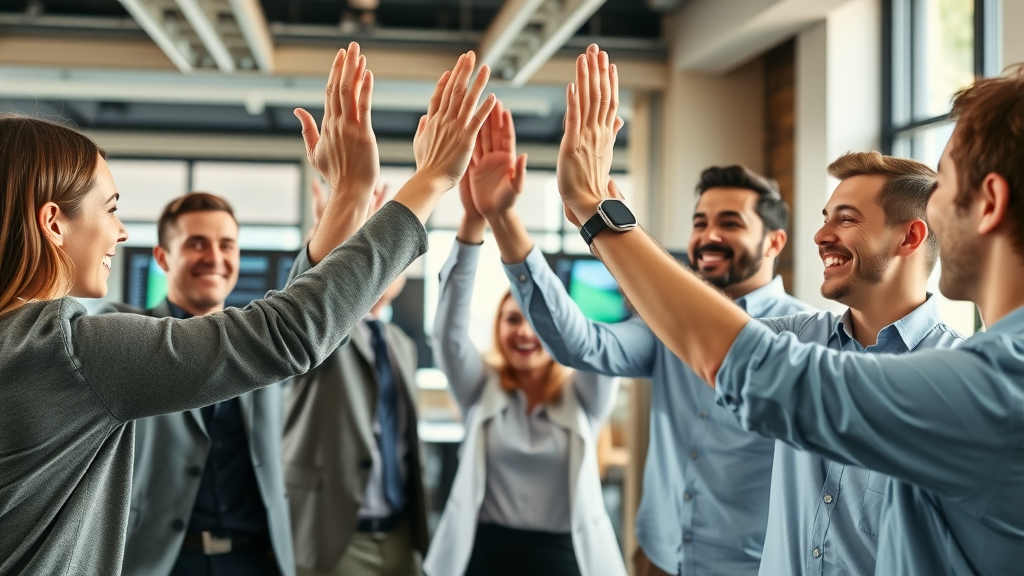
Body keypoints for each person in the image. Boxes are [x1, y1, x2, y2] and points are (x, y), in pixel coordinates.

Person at [0, 43, 497, 576]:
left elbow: (282, 325)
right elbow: (284, 334)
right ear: (54, 223)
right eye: (112, 209)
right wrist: (430, 182)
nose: (120, 232)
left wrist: (350, 194)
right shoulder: (73, 350)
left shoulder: (25, 342)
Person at [554, 45, 1024, 576]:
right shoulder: (815, 335)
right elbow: (721, 339)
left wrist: (599, 211)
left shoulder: (992, 384)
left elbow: (754, 366)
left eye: (947, 184)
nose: (936, 206)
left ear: (989, 201)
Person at [480, 102, 812, 576]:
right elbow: (581, 345)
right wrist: (503, 220)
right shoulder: (668, 325)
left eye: (730, 223)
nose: (709, 235)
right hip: (658, 558)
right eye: (700, 223)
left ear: (775, 242)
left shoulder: (807, 336)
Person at [422, 102, 627, 576]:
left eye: (533, 320)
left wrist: (595, 213)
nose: (523, 330)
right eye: (511, 320)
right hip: (485, 554)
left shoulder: (585, 395)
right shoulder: (481, 391)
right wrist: (473, 220)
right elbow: (448, 331)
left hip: (564, 557)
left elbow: (603, 331)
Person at [751, 152, 964, 575]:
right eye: (826, 217)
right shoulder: (793, 340)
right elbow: (686, 322)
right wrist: (600, 217)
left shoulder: (960, 380)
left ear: (909, 238)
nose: (819, 235)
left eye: (845, 220)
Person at [103, 192, 294, 576]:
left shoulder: (259, 345)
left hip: (257, 560)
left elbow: (317, 317)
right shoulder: (125, 332)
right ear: (162, 258)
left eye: (227, 245)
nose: (214, 257)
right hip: (161, 562)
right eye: (196, 244)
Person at [283, 183, 430, 576]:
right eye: (368, 251)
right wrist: (329, 231)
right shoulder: (327, 335)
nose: (382, 264)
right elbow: (308, 307)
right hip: (336, 538)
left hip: (402, 534)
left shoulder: (401, 344)